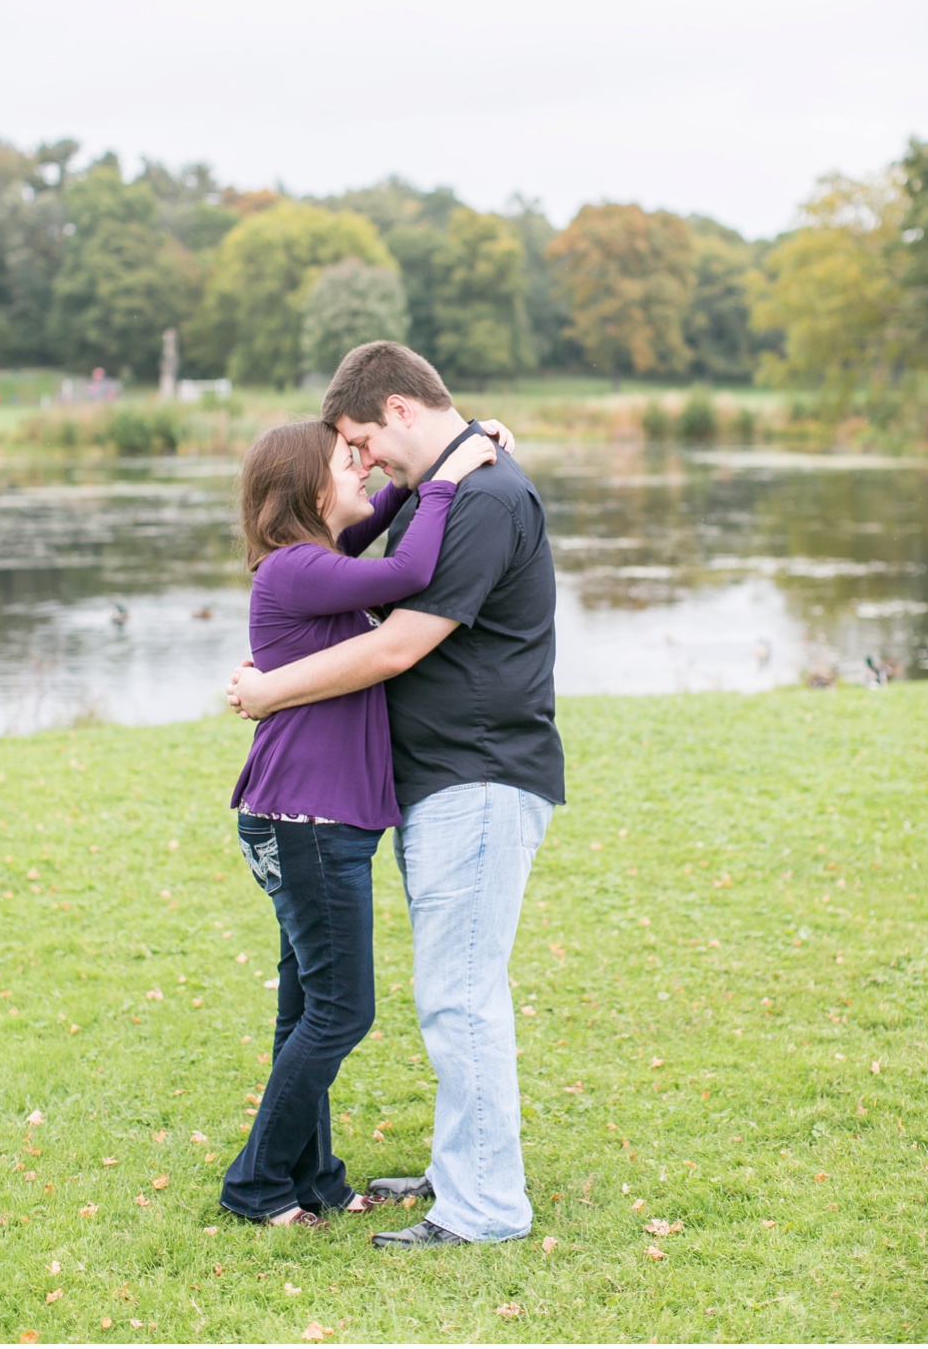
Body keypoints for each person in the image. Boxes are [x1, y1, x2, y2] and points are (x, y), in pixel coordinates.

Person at [229, 340, 565, 1249]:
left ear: (400, 413)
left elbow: (394, 645)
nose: (365, 460)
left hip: (480, 772)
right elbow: (376, 542)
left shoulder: (485, 497)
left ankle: (486, 1205)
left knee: (458, 996)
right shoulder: (448, 490)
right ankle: (463, 1174)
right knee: (445, 991)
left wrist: (267, 688)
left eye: (360, 440)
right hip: (440, 780)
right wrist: (449, 467)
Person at [218, 418, 499, 1229]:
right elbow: (411, 566)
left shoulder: (314, 562)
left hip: (306, 819)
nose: (367, 470)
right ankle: (257, 1184)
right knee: (342, 1011)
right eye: (352, 463)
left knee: (305, 1009)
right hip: (306, 822)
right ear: (310, 491)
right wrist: (455, 473)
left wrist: (428, 466)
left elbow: (380, 522)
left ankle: (316, 1178)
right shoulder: (300, 569)